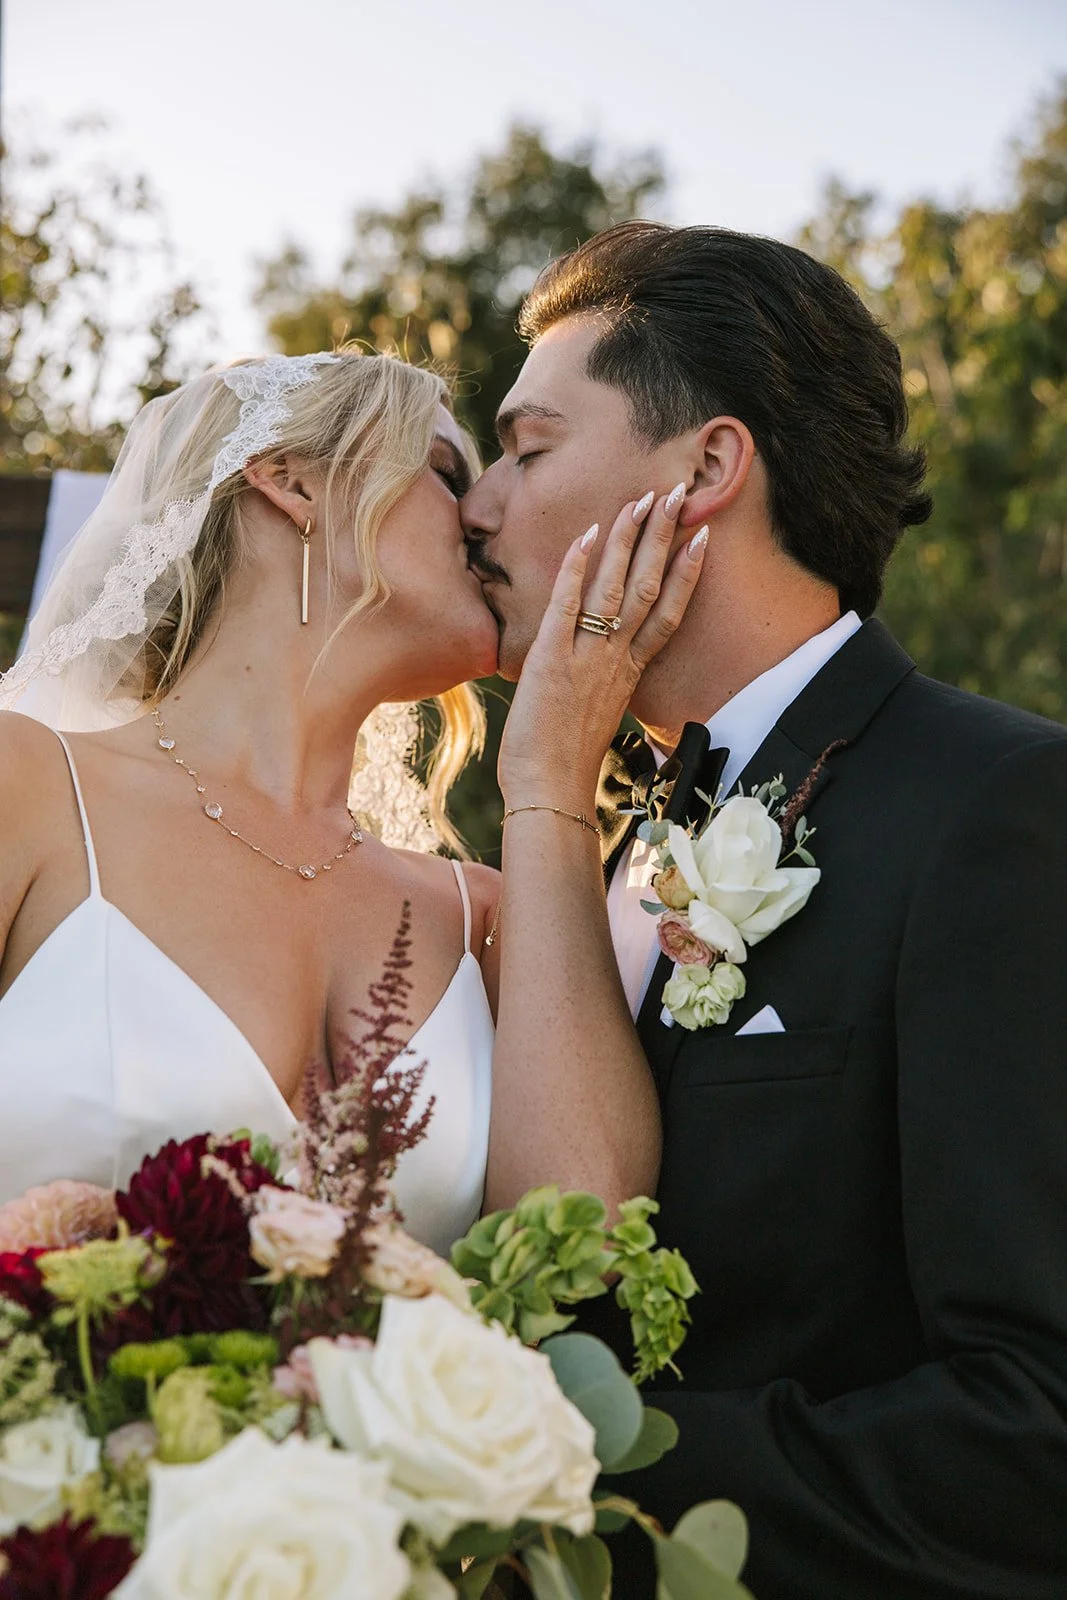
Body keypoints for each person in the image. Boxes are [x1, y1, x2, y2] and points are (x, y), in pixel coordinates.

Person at [462, 221, 1067, 1599]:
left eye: (527, 449)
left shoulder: (998, 811)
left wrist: (541, 1479)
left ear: (703, 469)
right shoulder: (605, 840)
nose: (477, 509)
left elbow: (1031, 1428)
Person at [0, 349, 703, 1257]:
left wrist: (550, 780)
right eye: (445, 471)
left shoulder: (482, 915)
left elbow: (586, 1240)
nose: (483, 516)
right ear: (291, 481)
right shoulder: (26, 785)